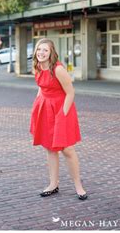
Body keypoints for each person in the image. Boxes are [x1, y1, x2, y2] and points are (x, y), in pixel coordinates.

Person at [30, 38, 87, 200]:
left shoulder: (58, 69)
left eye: (45, 50)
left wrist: (63, 114)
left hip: (62, 108)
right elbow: (41, 88)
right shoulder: (37, 66)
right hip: (44, 108)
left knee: (67, 149)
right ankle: (53, 184)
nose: (41, 53)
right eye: (39, 49)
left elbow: (71, 92)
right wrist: (37, 106)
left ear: (51, 52)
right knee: (50, 148)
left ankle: (78, 186)